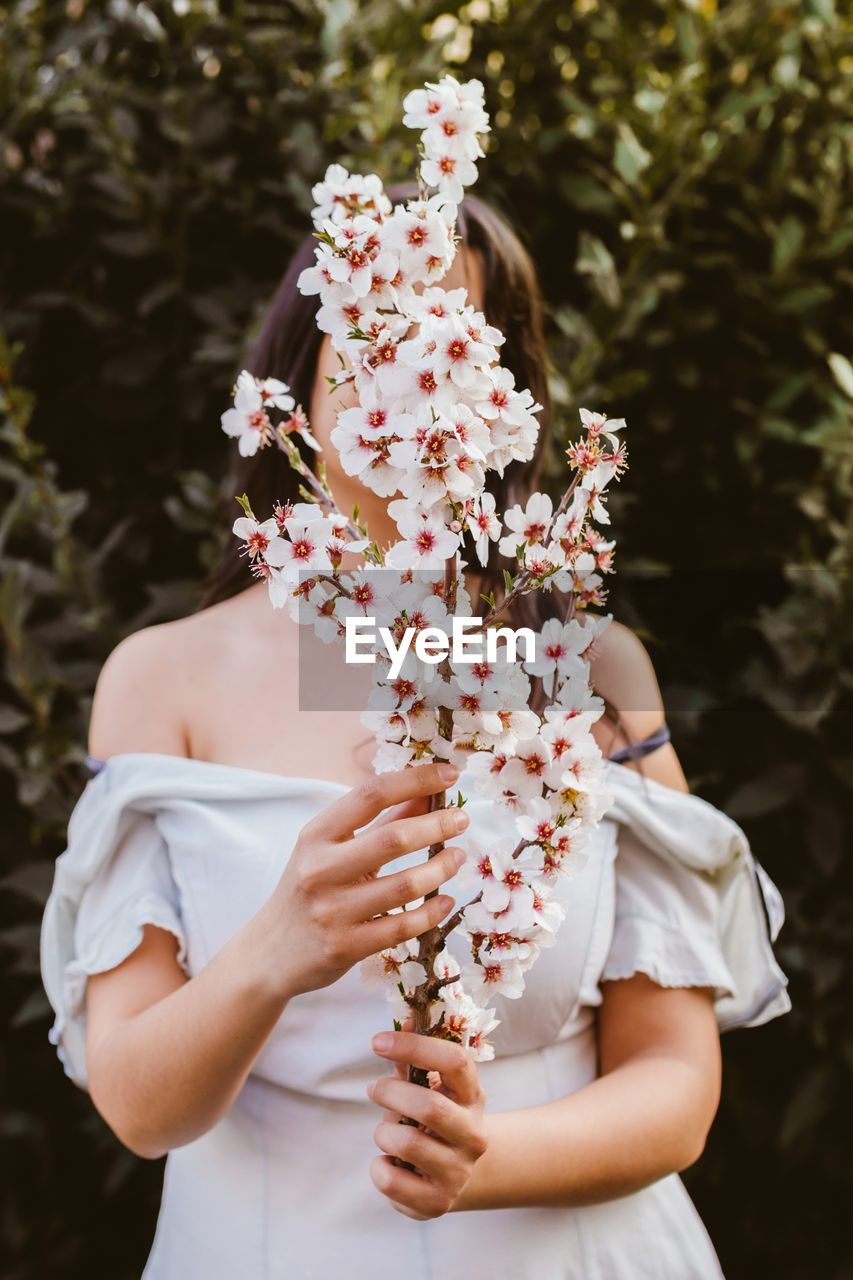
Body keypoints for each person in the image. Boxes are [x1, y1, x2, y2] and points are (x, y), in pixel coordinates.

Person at [39, 191, 790, 1279]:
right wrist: (273, 947)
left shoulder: (588, 670)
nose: (406, 370)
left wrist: (488, 1157)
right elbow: (139, 1105)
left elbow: (674, 1081)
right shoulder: (165, 680)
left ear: (505, 391)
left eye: (447, 335)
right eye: (374, 331)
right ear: (299, 378)